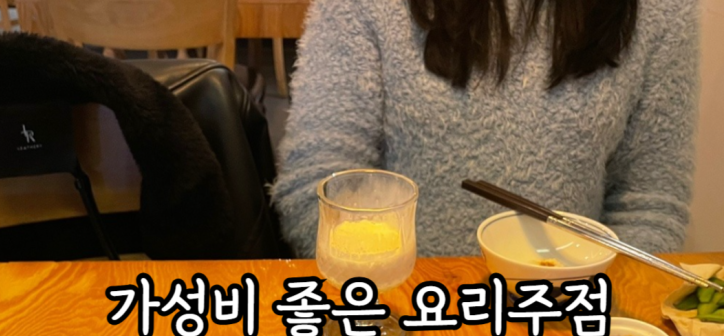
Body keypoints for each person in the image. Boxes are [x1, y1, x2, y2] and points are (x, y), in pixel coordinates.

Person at [271, 0, 699, 258]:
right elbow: (320, 184)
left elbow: (649, 204)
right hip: (403, 318)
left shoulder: (663, 11)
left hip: (568, 325)